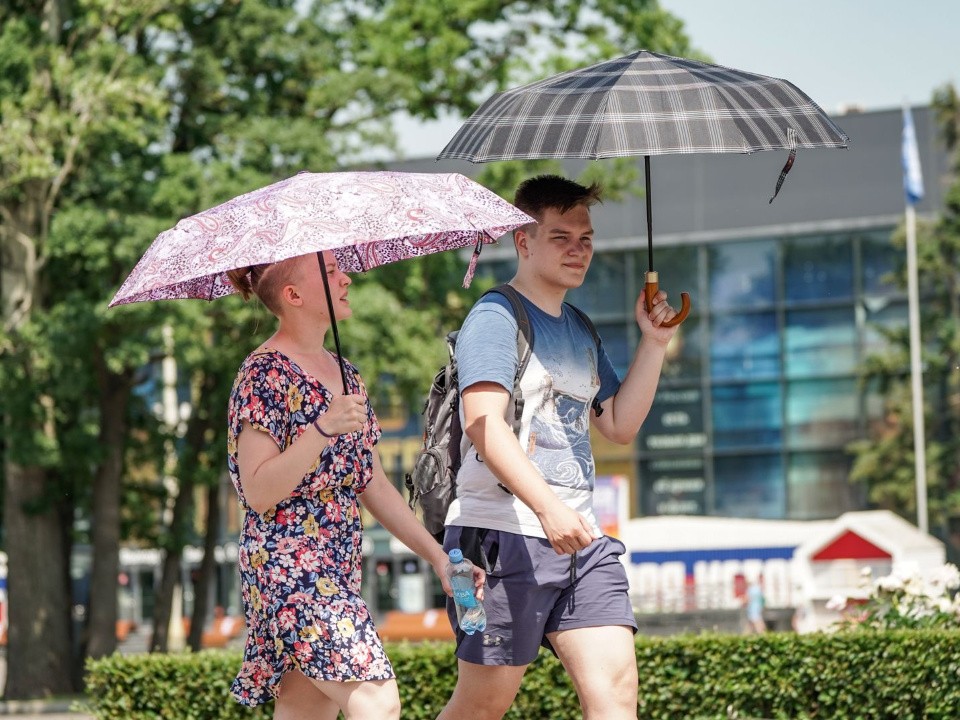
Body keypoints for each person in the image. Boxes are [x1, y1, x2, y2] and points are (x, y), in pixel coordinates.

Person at [437, 175, 680, 720]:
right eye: (560, 237)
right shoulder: (495, 317)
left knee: (615, 697)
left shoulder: (579, 327)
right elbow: (482, 423)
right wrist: (548, 507)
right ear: (523, 241)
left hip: (582, 539)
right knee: (482, 705)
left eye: (586, 238)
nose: (577, 250)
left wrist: (655, 342)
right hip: (499, 537)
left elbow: (617, 424)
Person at [224, 251, 484, 720]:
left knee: (306, 713)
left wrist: (440, 559)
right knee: (376, 701)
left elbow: (373, 484)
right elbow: (257, 490)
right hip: (290, 567)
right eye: (329, 272)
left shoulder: (347, 376)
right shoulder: (262, 375)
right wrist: (322, 429)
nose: (346, 277)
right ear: (293, 295)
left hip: (337, 565)